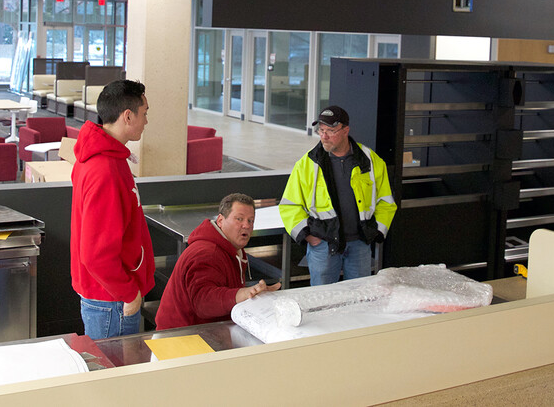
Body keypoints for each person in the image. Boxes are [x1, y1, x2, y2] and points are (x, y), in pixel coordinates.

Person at [70, 79, 154, 340]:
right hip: (112, 300)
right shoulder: (104, 170)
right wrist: (128, 292)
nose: (147, 121)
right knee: (116, 374)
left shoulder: (109, 159)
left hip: (110, 296)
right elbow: (96, 254)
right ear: (128, 116)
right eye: (145, 113)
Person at [280, 105, 397, 285]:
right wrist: (310, 237)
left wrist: (376, 232)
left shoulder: (371, 161)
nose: (324, 136)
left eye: (331, 131)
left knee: (359, 299)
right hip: (323, 245)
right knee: (322, 301)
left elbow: (386, 202)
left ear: (345, 130)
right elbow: (289, 206)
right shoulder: (306, 164)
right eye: (321, 130)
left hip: (359, 244)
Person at [156, 193, 280, 330]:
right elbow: (203, 302)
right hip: (178, 340)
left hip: (201, 333)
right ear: (220, 220)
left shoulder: (231, 248)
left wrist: (251, 295)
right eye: (239, 219)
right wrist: (243, 294)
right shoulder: (206, 253)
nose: (246, 225)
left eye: (250, 220)